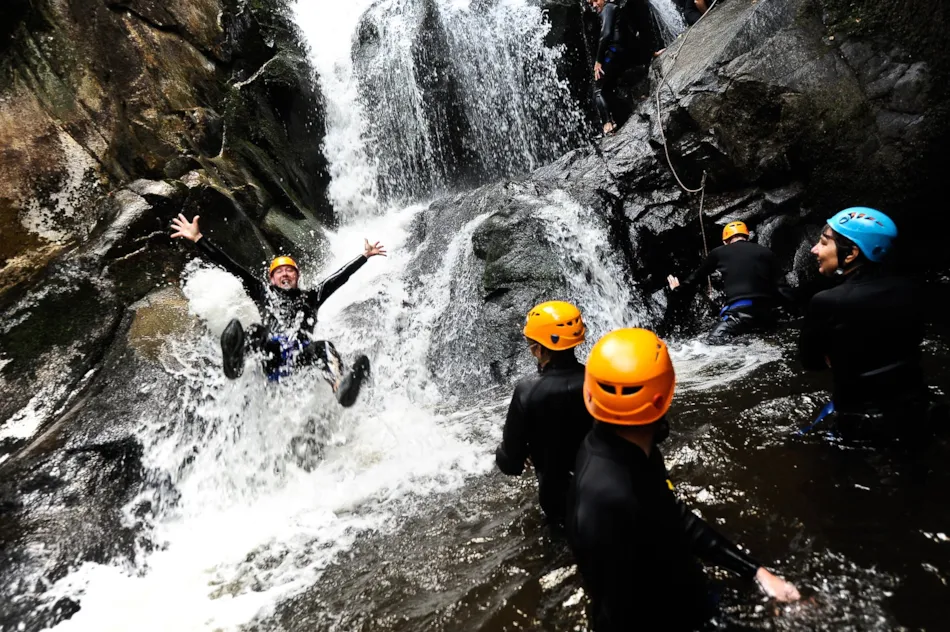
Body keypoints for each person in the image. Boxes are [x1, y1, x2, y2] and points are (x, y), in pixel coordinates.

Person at [567, 328, 801, 631]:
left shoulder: (628, 449)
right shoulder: (607, 496)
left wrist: (756, 571)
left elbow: (672, 517)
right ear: (665, 395)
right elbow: (618, 608)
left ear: (589, 393)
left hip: (684, 599)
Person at [170, 213, 384, 406]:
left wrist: (364, 257)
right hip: (270, 356)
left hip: (300, 358)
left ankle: (340, 388)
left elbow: (340, 277)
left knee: (324, 347)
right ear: (271, 278)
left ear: (297, 276)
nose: (285, 274)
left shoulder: (312, 296)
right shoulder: (261, 292)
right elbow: (230, 265)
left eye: (290, 271)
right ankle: (235, 365)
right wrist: (199, 239)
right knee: (255, 331)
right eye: (279, 271)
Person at [799, 207, 941, 445]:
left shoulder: (827, 301)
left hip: (861, 421)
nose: (814, 249)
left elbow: (811, 362)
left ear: (853, 252)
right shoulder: (911, 289)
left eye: (824, 243)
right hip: (918, 409)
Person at [495, 301, 594, 527]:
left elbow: (510, 463)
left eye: (531, 344)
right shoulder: (599, 380)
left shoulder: (527, 392)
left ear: (540, 349)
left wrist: (519, 450)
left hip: (561, 505)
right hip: (607, 491)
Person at [667, 221, 795, 343]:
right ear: (747, 237)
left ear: (725, 241)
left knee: (712, 343)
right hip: (766, 314)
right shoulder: (767, 252)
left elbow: (697, 277)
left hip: (739, 313)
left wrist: (677, 290)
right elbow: (783, 289)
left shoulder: (719, 252)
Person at [587, 0, 661, 136]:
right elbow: (630, 35)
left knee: (598, 90)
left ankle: (608, 124)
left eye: (595, 1)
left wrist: (598, 61)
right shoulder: (616, 9)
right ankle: (620, 119)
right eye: (591, 4)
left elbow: (606, 34)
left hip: (613, 54)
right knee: (610, 88)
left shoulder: (607, 9)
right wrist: (650, 53)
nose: (594, 5)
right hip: (624, 54)